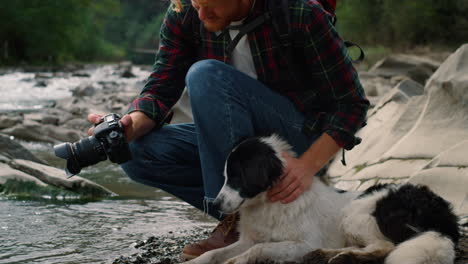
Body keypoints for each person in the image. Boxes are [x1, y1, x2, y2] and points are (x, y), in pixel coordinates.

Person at [87, 0, 369, 260]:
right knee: (135, 151)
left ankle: (232, 226)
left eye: (209, 5)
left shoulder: (300, 13)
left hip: (295, 144)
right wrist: (128, 126)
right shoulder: (185, 12)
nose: (201, 14)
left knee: (207, 75)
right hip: (236, 148)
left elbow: (352, 103)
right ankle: (243, 215)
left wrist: (307, 165)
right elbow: (161, 89)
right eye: (196, 4)